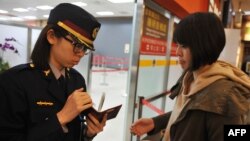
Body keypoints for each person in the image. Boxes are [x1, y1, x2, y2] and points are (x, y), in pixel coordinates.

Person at [130, 12, 250, 141]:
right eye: (178, 45)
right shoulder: (190, 76)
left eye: (184, 46)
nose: (177, 52)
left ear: (203, 46)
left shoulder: (225, 96)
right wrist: (155, 122)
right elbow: (189, 114)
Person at [0, 3, 107, 141]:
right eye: (78, 45)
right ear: (51, 36)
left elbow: (74, 133)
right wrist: (61, 117)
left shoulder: (77, 80)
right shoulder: (14, 82)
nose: (81, 54)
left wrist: (88, 133)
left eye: (85, 48)